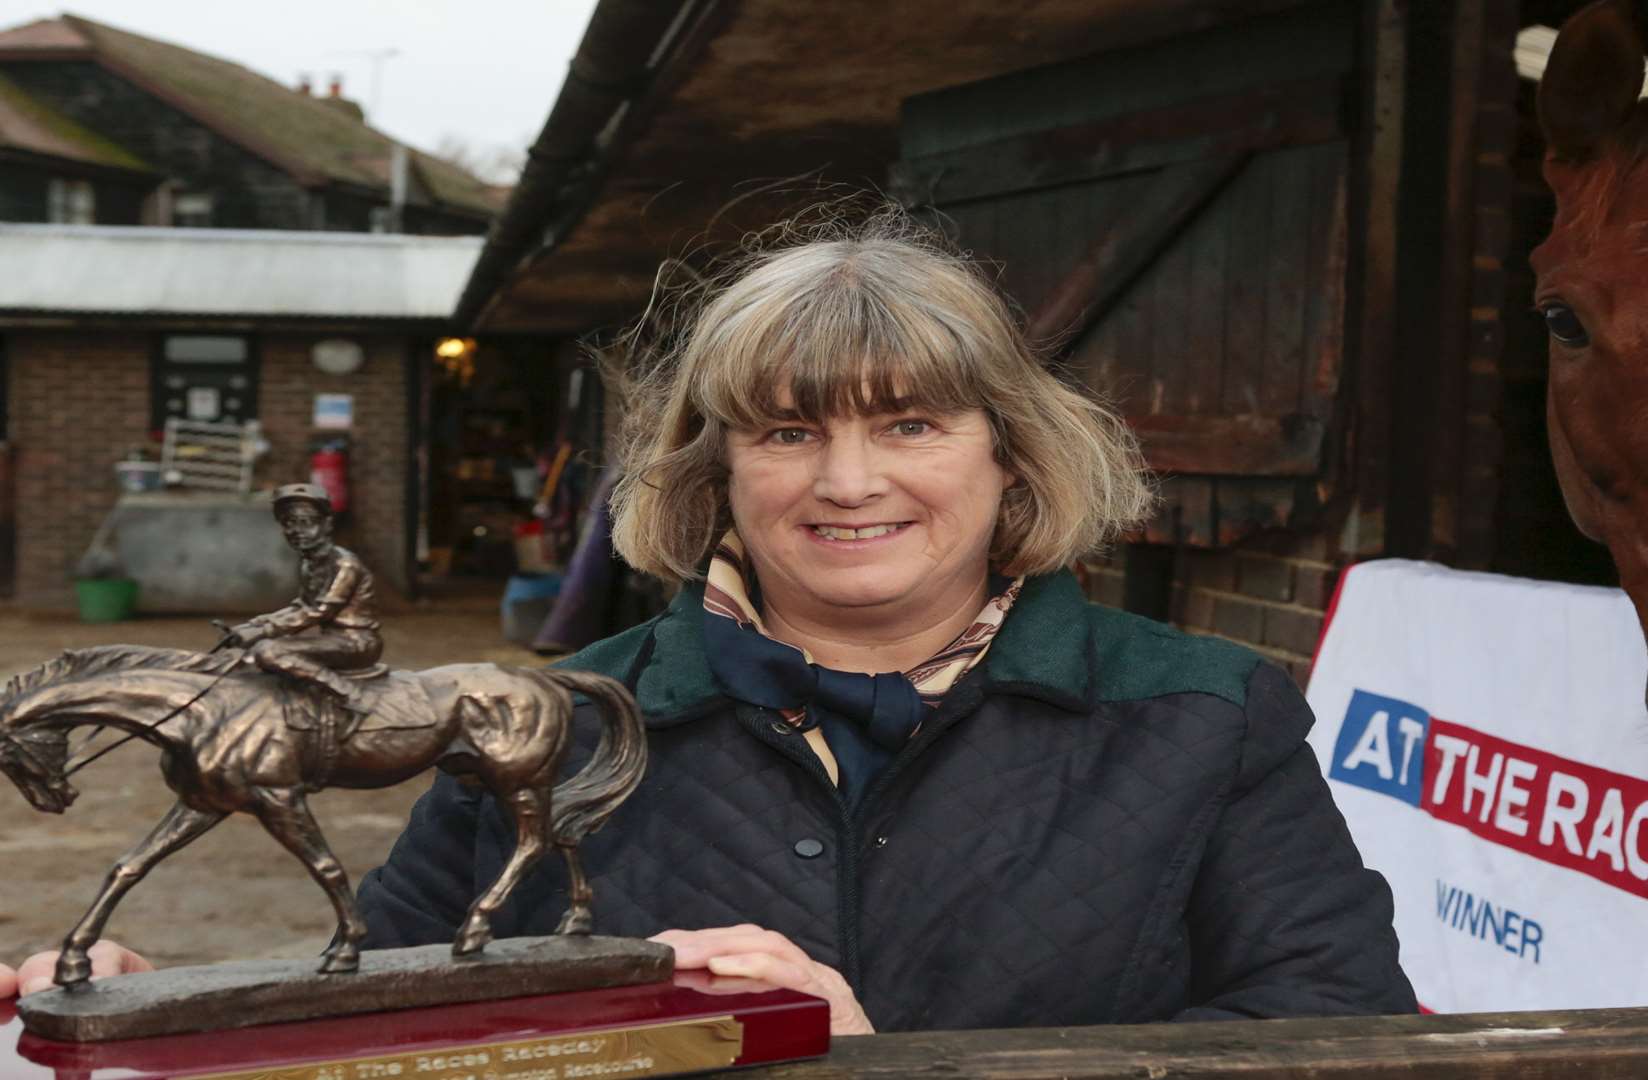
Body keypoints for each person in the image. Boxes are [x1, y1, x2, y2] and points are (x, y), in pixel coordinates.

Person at [5, 214, 1415, 1029]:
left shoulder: (1207, 718)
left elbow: (1341, 1050)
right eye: (788, 431)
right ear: (717, 472)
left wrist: (882, 1066)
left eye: (911, 423)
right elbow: (386, 1015)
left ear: (1012, 455)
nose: (848, 481)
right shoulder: (545, 724)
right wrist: (161, 1020)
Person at [237, 483, 383, 714]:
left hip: (356, 642)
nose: (296, 530)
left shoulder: (345, 564)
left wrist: (264, 631)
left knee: (269, 651)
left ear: (327, 525)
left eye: (306, 522)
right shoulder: (309, 563)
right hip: (333, 639)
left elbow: (319, 611)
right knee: (248, 656)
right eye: (288, 523)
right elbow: (301, 605)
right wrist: (256, 623)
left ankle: (347, 693)